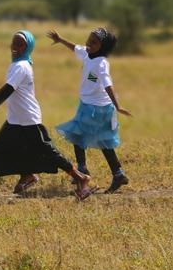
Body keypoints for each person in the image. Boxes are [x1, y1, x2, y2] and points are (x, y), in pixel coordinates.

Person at [0, 30, 93, 199]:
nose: (15, 47)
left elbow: (7, 90)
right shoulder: (19, 64)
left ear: (28, 47)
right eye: (14, 43)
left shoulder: (21, 66)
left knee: (47, 150)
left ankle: (81, 178)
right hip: (15, 120)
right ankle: (27, 175)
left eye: (20, 44)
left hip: (28, 119)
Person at [48, 27, 131, 194]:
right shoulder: (87, 53)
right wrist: (61, 39)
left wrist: (118, 105)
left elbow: (108, 84)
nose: (89, 44)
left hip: (97, 108)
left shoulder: (101, 63)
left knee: (78, 135)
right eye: (89, 39)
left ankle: (82, 171)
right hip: (88, 105)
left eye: (94, 42)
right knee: (103, 142)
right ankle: (118, 174)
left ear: (103, 47)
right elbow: (76, 48)